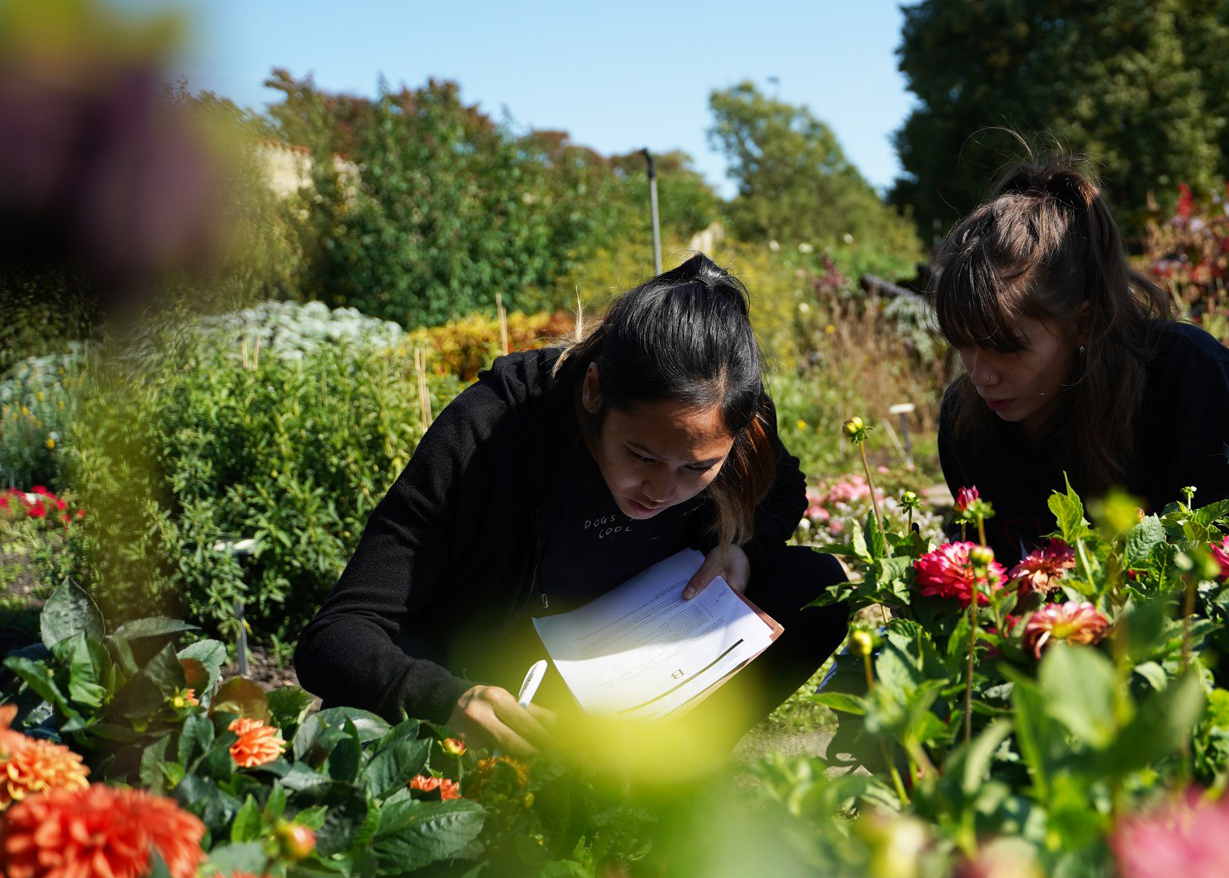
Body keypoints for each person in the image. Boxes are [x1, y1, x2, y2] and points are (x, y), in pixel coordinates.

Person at [294, 255, 849, 753]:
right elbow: (338, 633)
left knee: (817, 584)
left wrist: (740, 549)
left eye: (697, 469)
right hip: (495, 677)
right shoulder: (491, 430)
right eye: (641, 455)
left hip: (624, 657)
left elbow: (782, 489)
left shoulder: (729, 417)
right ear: (592, 391)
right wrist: (446, 700)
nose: (661, 489)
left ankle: (667, 776)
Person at [932, 161, 1229, 557]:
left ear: (1082, 324)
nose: (981, 376)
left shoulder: (1194, 377)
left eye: (1006, 347)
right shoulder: (964, 423)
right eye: (962, 345)